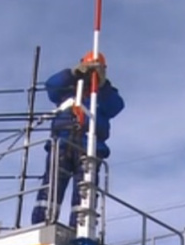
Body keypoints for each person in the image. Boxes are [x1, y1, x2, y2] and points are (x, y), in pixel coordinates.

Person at [31, 51, 125, 227]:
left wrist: (102, 85)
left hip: (89, 146)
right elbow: (51, 85)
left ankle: (80, 226)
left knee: (84, 191)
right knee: (52, 185)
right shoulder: (68, 90)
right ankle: (41, 222)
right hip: (62, 143)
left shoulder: (104, 95)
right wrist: (73, 73)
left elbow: (116, 106)